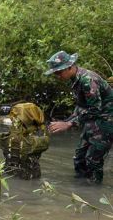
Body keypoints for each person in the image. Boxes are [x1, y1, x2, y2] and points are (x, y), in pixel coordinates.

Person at [46, 51, 113, 184]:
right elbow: (82, 106)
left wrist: (69, 124)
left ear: (70, 67)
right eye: (55, 73)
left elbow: (95, 109)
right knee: (79, 158)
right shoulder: (75, 78)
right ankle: (80, 189)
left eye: (59, 72)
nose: (57, 76)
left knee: (93, 161)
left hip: (106, 121)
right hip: (93, 120)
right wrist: (66, 121)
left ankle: (93, 193)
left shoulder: (87, 80)